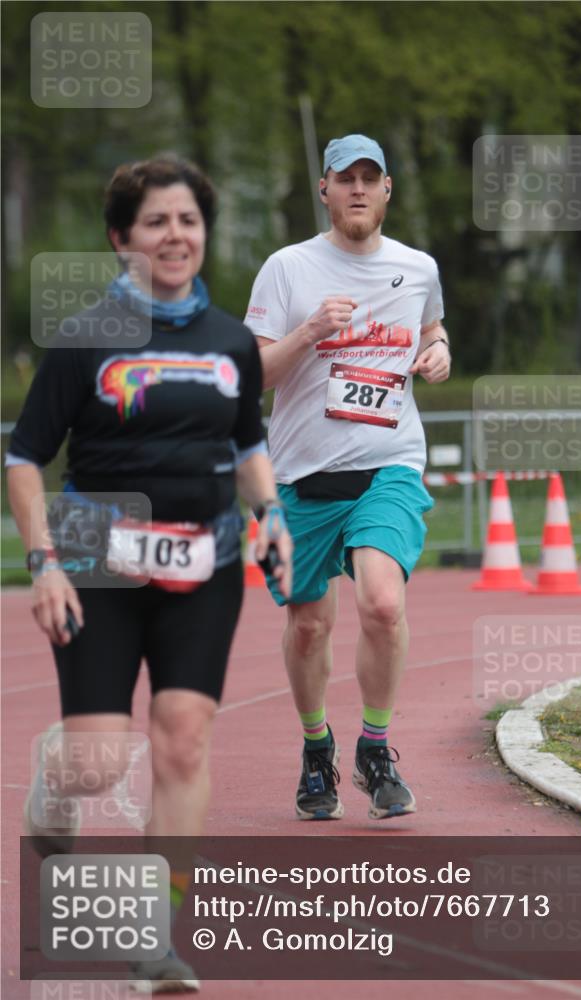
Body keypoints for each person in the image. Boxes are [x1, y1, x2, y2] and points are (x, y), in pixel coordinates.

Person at [7, 154, 291, 992]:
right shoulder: (85, 339)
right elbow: (25, 459)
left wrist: (268, 512)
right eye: (158, 222)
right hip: (97, 557)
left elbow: (246, 442)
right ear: (121, 239)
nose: (177, 236)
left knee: (182, 739)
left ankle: (156, 937)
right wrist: (44, 564)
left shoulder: (231, 339)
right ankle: (55, 778)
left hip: (204, 558)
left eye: (189, 221)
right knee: (99, 763)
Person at [244, 134, 450, 822]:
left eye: (370, 177)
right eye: (345, 178)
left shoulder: (417, 266)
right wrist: (306, 333)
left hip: (387, 464)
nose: (357, 189)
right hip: (302, 474)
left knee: (382, 606)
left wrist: (439, 351)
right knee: (308, 626)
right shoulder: (287, 268)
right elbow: (253, 379)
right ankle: (314, 749)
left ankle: (375, 746)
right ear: (324, 191)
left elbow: (431, 329)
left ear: (388, 188)